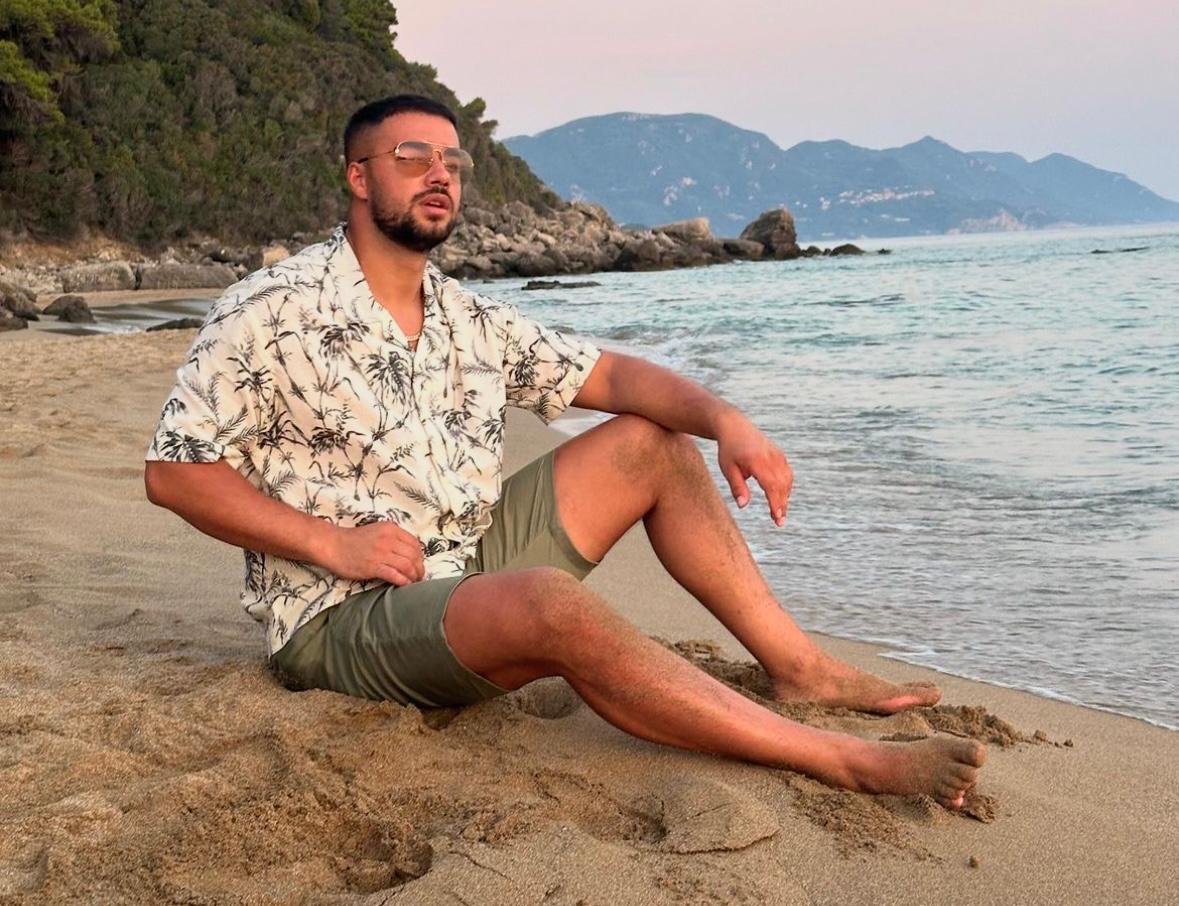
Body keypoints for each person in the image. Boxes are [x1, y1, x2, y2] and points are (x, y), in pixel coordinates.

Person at [144, 94, 984, 808]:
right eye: (412, 158)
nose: (439, 175)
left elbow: (609, 375)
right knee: (551, 601)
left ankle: (799, 668)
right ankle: (839, 759)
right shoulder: (270, 308)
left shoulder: (465, 315)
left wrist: (724, 417)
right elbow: (174, 472)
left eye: (452, 162)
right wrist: (330, 543)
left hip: (460, 565)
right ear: (358, 177)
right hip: (341, 614)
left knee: (652, 441)